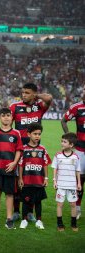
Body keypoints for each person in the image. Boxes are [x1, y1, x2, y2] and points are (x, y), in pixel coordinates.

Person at [9, 83, 52, 222]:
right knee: (17, 181)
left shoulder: (39, 106)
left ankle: (30, 212)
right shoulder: (15, 107)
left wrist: (36, 96)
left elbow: (49, 98)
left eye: (27, 93)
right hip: (19, 150)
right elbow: (8, 125)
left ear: (34, 94)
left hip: (34, 151)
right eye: (23, 92)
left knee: (32, 181)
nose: (24, 95)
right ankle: (16, 210)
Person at [0, 107, 23, 229]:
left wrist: (14, 163)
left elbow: (19, 150)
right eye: (3, 115)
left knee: (9, 194)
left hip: (10, 169)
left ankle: (9, 219)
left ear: (12, 118)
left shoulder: (16, 133)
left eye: (8, 115)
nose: (6, 117)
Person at [18, 123, 51, 230]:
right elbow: (21, 165)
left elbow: (45, 164)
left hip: (39, 180)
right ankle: (24, 220)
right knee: (26, 201)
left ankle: (39, 220)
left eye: (39, 134)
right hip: (27, 180)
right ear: (28, 134)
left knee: (38, 201)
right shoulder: (24, 149)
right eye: (35, 134)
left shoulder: (42, 149)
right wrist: (20, 178)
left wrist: (46, 178)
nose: (37, 136)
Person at [61, 86, 85, 219]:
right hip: (80, 149)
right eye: (84, 90)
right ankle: (78, 208)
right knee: (80, 179)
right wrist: (70, 138)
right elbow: (64, 120)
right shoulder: (77, 107)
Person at [52, 132, 82, 232]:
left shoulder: (76, 157)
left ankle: (73, 224)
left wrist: (78, 183)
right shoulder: (58, 155)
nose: (62, 143)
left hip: (72, 185)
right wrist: (54, 181)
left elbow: (78, 170)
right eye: (62, 141)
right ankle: (60, 224)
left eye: (64, 142)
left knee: (73, 204)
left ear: (71, 145)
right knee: (60, 204)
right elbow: (55, 168)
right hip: (60, 185)